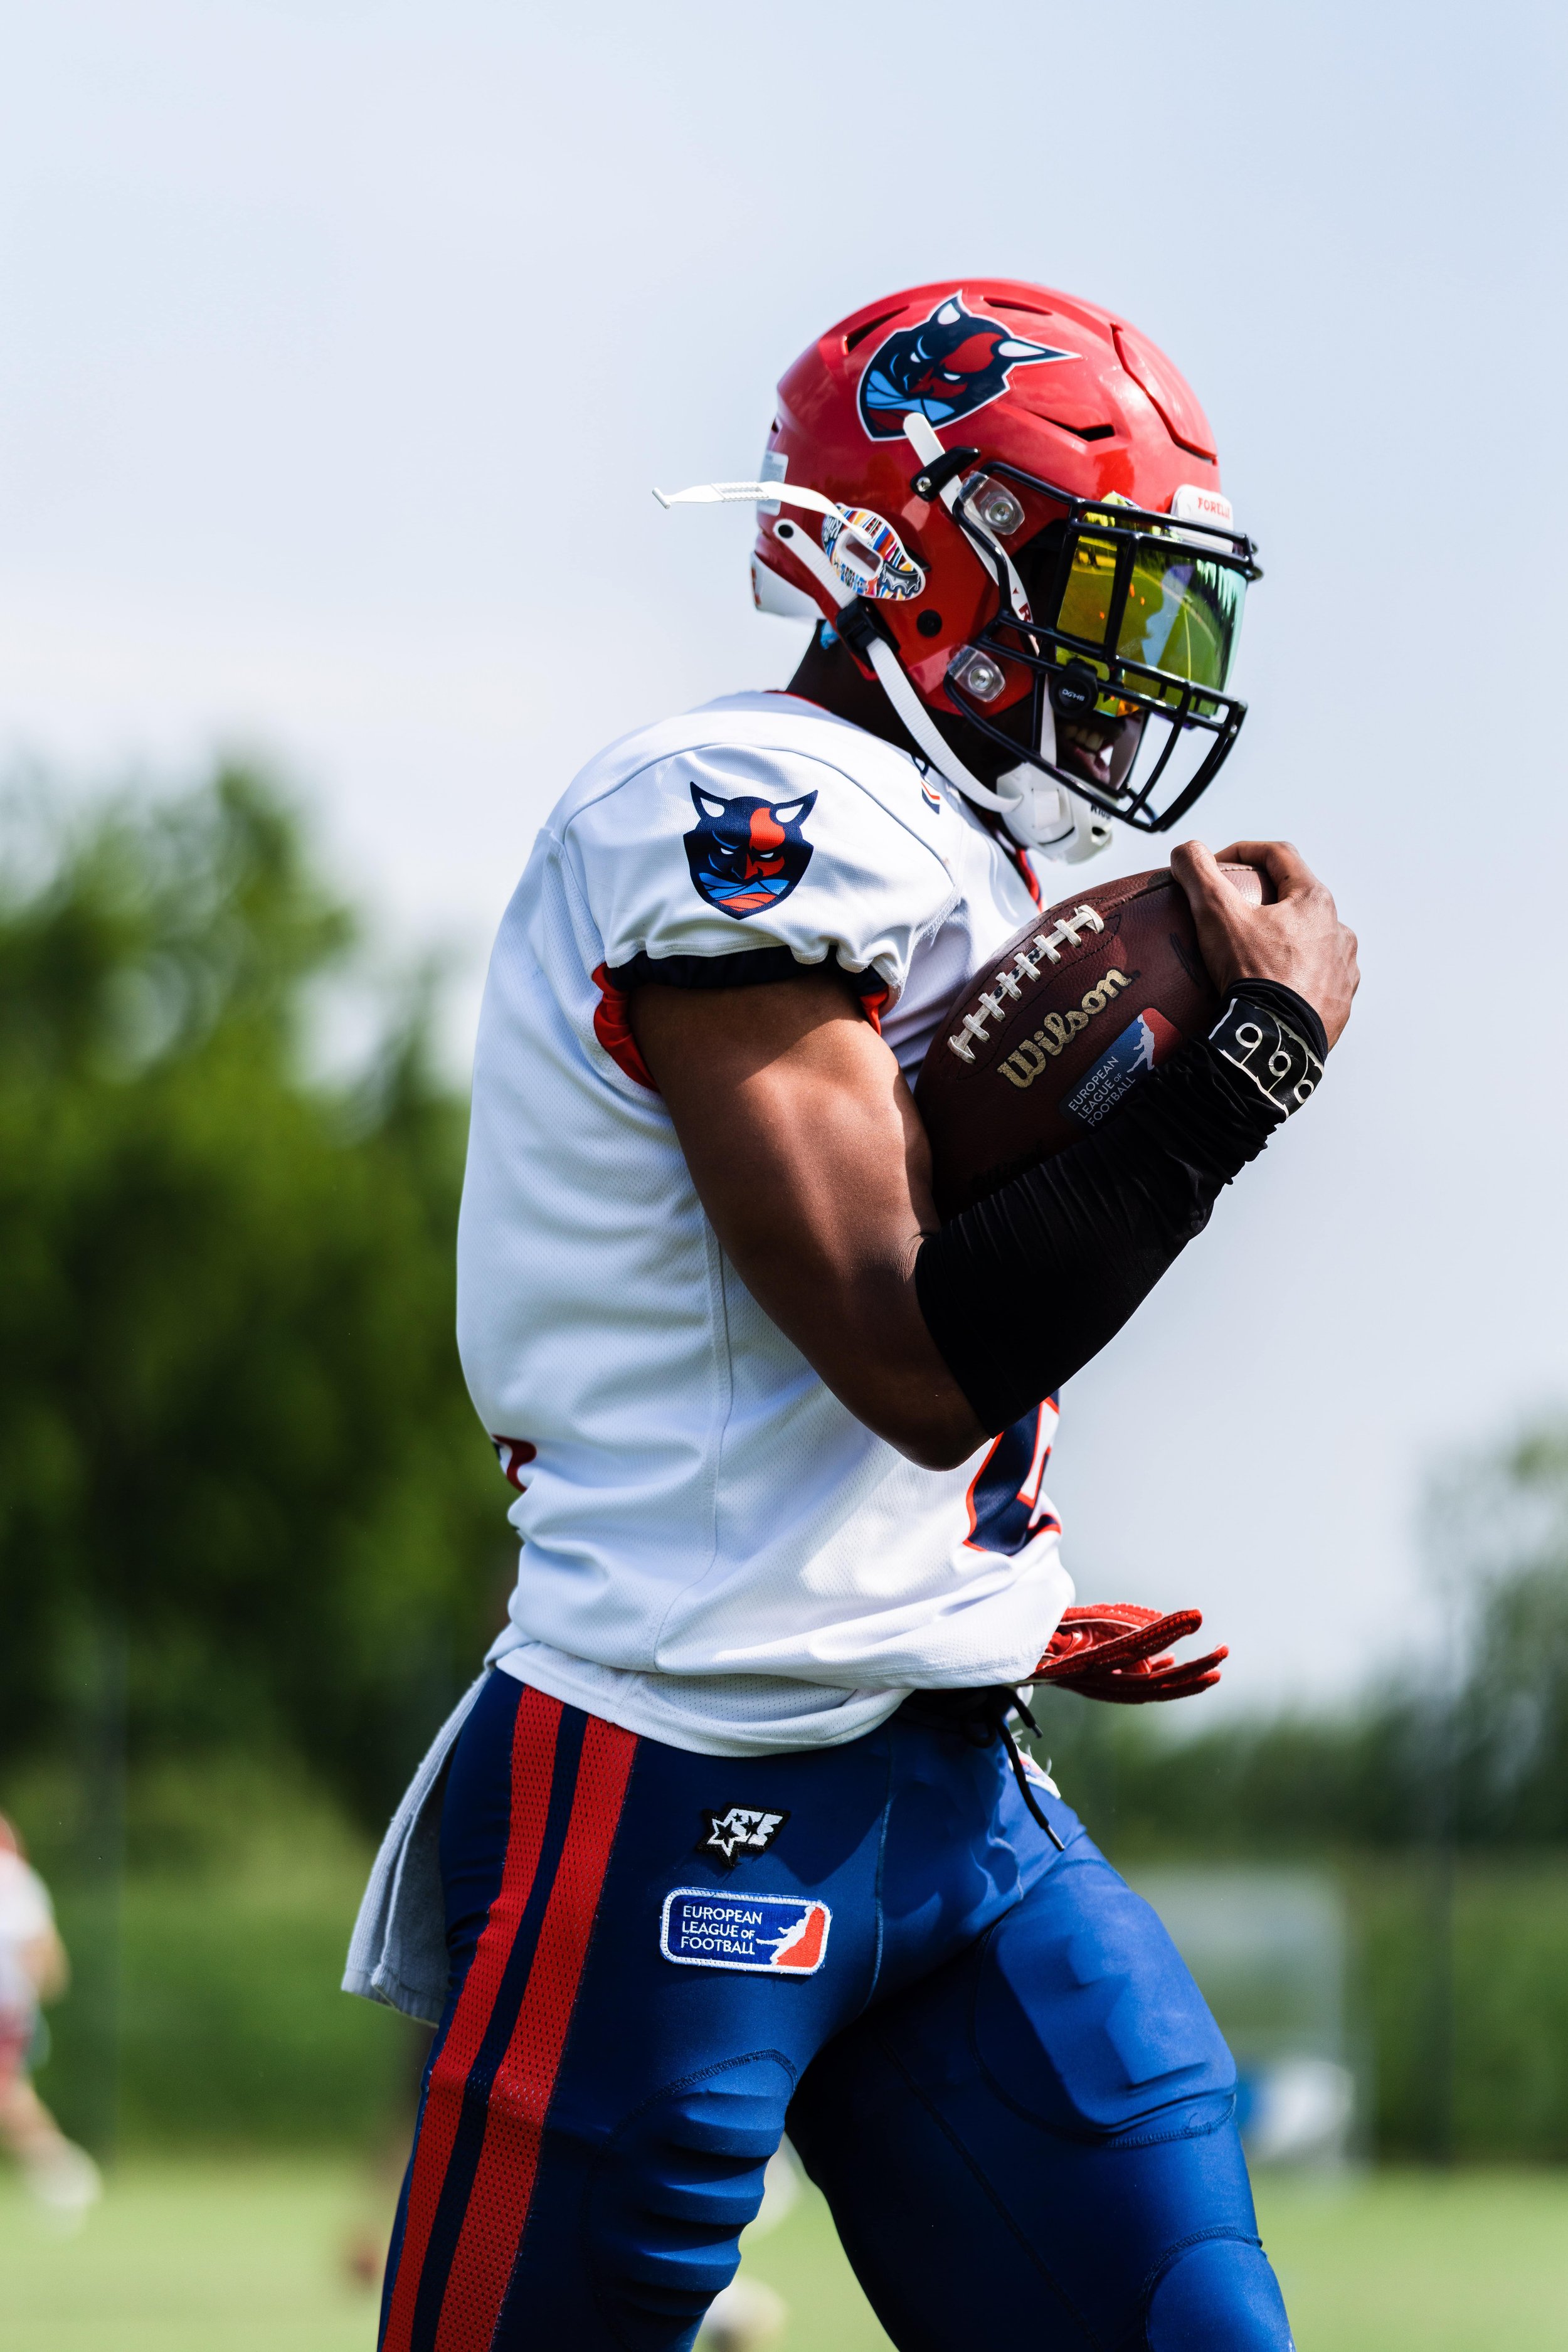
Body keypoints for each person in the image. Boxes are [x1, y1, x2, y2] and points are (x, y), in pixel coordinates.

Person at [346, 278, 1358, 2352]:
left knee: (1188, 2325)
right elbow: (905, 1354)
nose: (1132, 661)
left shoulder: (975, 853)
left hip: (965, 1800)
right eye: (1099, 586)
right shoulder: (732, 810)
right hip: (669, 1779)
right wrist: (1239, 1076)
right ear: (921, 550)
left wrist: (947, 1586)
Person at [0, 1812, 101, 2217]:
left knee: (9, 2097)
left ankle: (63, 2174)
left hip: (5, 2014)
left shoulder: (12, 1881)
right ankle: (62, 2172)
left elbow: (44, 1957)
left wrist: (30, 2002)